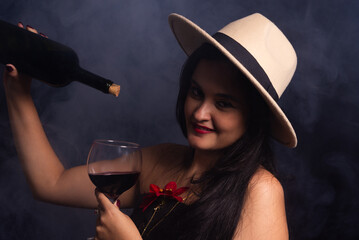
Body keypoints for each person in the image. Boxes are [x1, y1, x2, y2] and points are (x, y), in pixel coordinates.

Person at [3, 13, 297, 240]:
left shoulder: (261, 190)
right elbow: (50, 183)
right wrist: (18, 91)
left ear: (254, 118)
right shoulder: (162, 159)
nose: (200, 112)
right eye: (196, 92)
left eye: (224, 104)